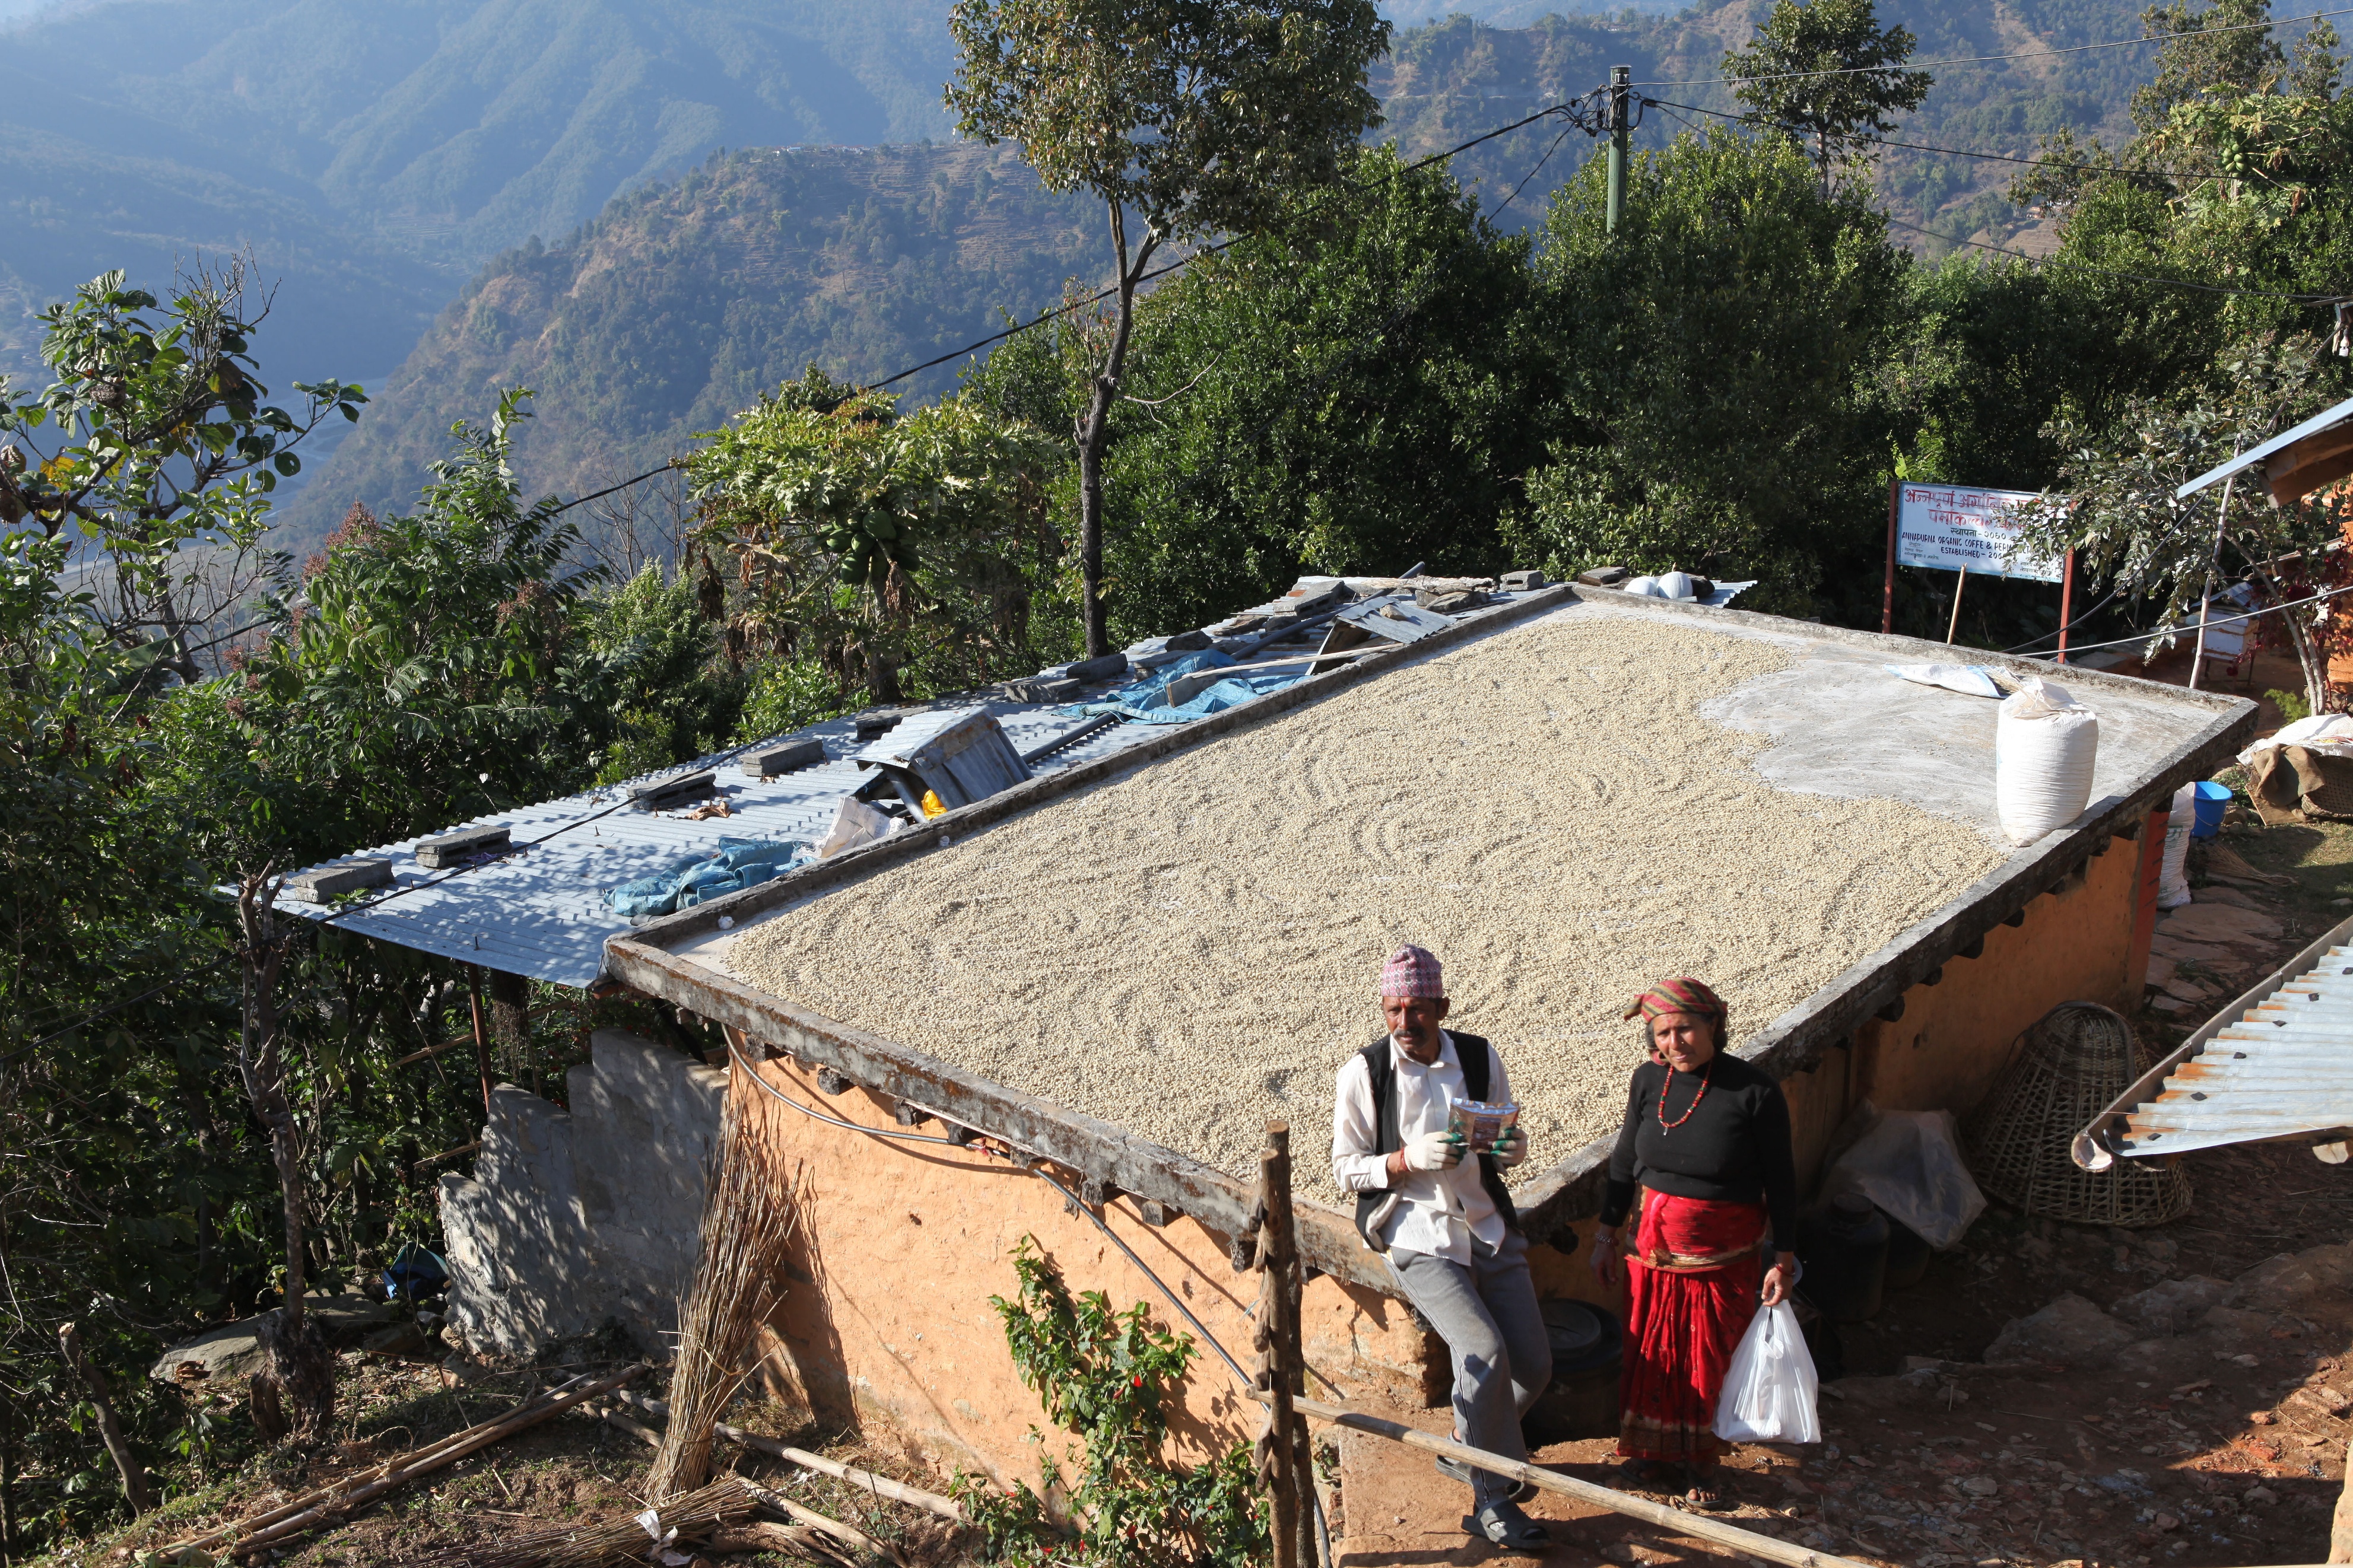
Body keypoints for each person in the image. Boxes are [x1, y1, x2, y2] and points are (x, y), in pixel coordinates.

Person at [1332, 945, 1552, 1550]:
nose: (1405, 1024)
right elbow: (1344, 1171)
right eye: (1393, 1010)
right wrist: (1404, 1161)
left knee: (1532, 1365)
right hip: (1414, 1230)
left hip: (1482, 1223)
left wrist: (1512, 1147)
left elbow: (1504, 1129)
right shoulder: (1364, 1074)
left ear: (1442, 1007)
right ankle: (1491, 1498)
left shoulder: (1477, 1057)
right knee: (1480, 1349)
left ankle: (1466, 1445)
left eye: (1417, 1010)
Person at [1589, 977, 1798, 1509]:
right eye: (1662, 1032)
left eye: (1685, 1029)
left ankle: (1702, 1459)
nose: (1674, 1042)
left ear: (1714, 1026)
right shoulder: (1646, 1082)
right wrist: (1606, 1234)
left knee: (1708, 1355)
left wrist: (1784, 1257)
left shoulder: (1753, 1091)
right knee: (1651, 1351)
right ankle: (1649, 1452)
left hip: (1721, 1260)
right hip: (1650, 1256)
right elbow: (1621, 1162)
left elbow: (1781, 1179)